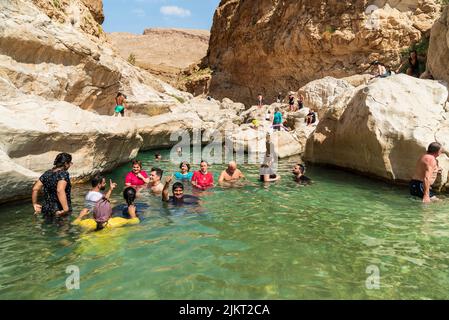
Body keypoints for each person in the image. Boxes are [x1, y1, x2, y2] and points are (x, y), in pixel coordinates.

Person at [73, 187, 140, 232]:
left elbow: (74, 224)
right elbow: (135, 221)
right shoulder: (116, 222)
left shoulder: (88, 222)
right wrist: (133, 214)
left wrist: (80, 216)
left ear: (94, 214)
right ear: (110, 214)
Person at [32, 153, 73, 218]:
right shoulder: (63, 173)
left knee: (47, 227)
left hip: (46, 209)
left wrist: (35, 204)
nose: (70, 165)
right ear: (65, 163)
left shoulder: (47, 173)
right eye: (70, 163)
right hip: (60, 210)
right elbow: (60, 190)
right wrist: (65, 209)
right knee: (65, 227)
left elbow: (35, 189)